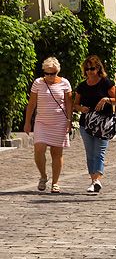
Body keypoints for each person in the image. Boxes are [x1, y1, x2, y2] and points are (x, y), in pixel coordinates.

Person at [24, 57, 73, 193]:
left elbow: (69, 103)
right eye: (47, 73)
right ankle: (43, 176)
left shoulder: (65, 83)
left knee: (56, 153)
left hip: (59, 121)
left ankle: (55, 182)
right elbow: (32, 104)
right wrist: (27, 122)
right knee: (39, 149)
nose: (50, 76)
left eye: (53, 73)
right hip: (42, 122)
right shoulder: (38, 83)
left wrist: (69, 120)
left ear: (58, 72)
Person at [72, 56, 115, 194]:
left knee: (99, 152)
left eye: (92, 68)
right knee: (90, 153)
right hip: (86, 124)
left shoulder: (106, 83)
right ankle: (93, 180)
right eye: (87, 69)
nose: (90, 71)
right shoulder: (82, 86)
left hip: (103, 124)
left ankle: (96, 180)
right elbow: (75, 104)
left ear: (98, 69)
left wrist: (107, 99)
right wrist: (80, 109)